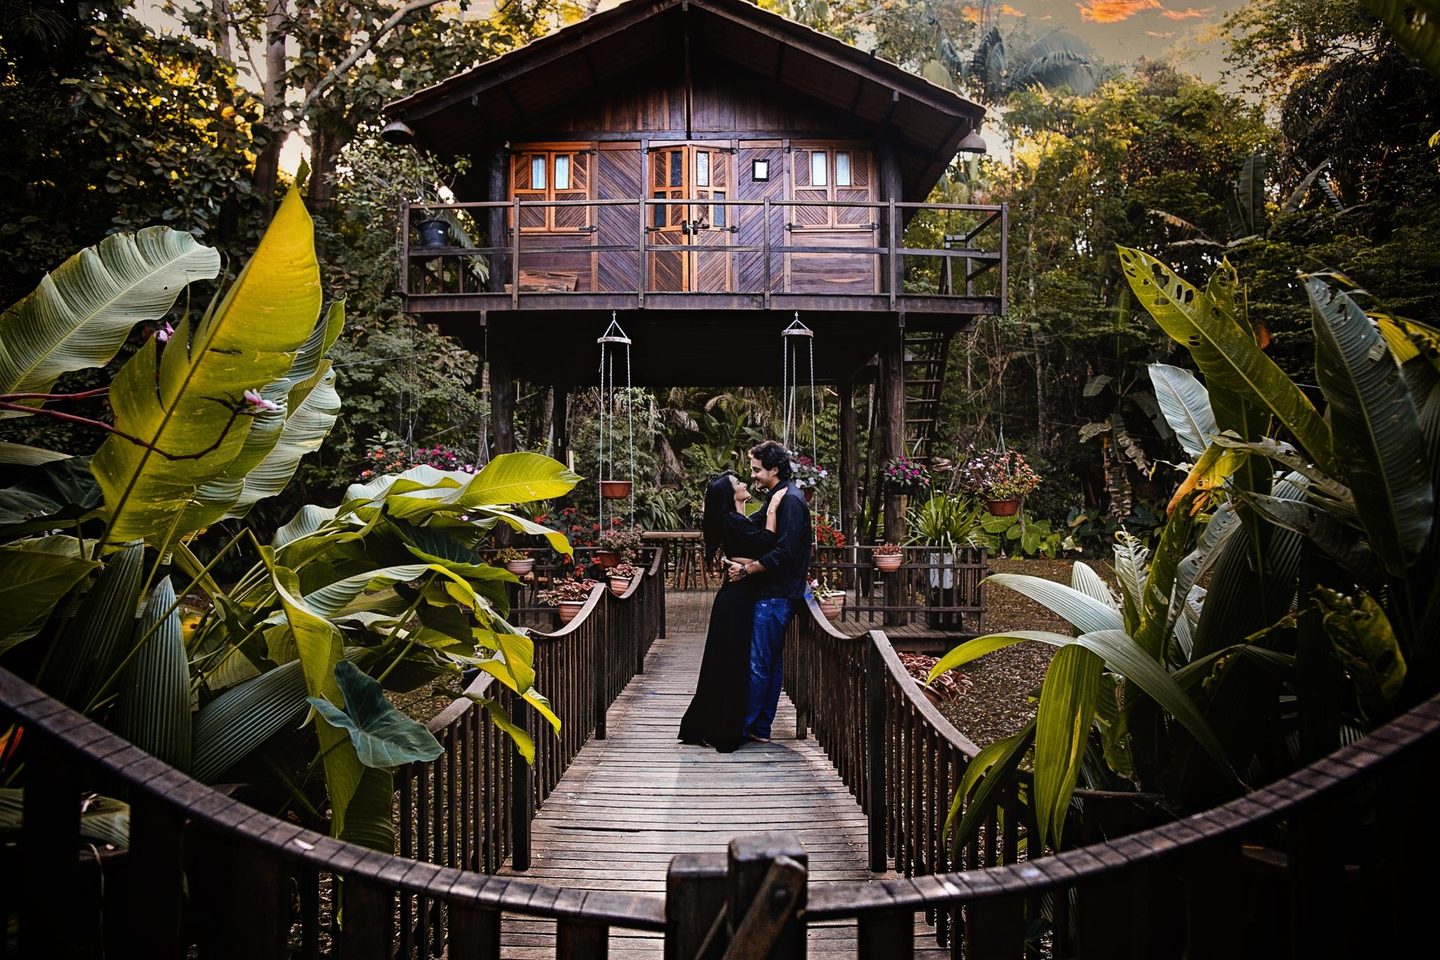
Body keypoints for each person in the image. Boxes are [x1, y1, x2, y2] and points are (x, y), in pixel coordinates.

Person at [678, 471, 787, 751]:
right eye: (738, 483)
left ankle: (711, 723)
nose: (744, 483)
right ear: (730, 494)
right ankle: (720, 726)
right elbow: (766, 542)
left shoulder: (738, 520)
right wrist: (773, 508)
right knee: (732, 660)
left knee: (727, 659)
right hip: (737, 597)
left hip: (738, 592)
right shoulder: (732, 521)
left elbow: (752, 530)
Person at [725, 440, 812, 743]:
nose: (754, 476)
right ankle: (760, 727)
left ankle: (745, 727)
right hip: (775, 592)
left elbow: (784, 553)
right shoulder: (777, 496)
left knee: (760, 662)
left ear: (774, 469)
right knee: (769, 662)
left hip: (777, 594)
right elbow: (754, 529)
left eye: (757, 470)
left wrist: (747, 570)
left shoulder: (790, 501)